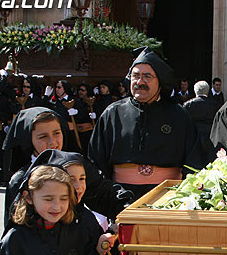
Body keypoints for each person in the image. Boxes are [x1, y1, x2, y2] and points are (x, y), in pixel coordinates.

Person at [89, 46, 207, 200]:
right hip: (119, 196)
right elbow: (96, 161)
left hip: (168, 197)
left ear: (160, 81)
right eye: (135, 76)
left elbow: (194, 160)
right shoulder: (113, 113)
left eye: (147, 76)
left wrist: (185, 196)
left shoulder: (178, 115)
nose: (140, 81)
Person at [2, 106, 133, 229]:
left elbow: (103, 192)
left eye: (56, 133)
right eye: (43, 137)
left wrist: (127, 206)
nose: (52, 141)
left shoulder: (77, 165)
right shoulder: (21, 179)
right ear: (28, 140)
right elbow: (14, 226)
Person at [183, 80, 219, 165]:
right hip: (210, 135)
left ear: (195, 91)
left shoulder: (188, 104)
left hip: (193, 135)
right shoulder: (214, 104)